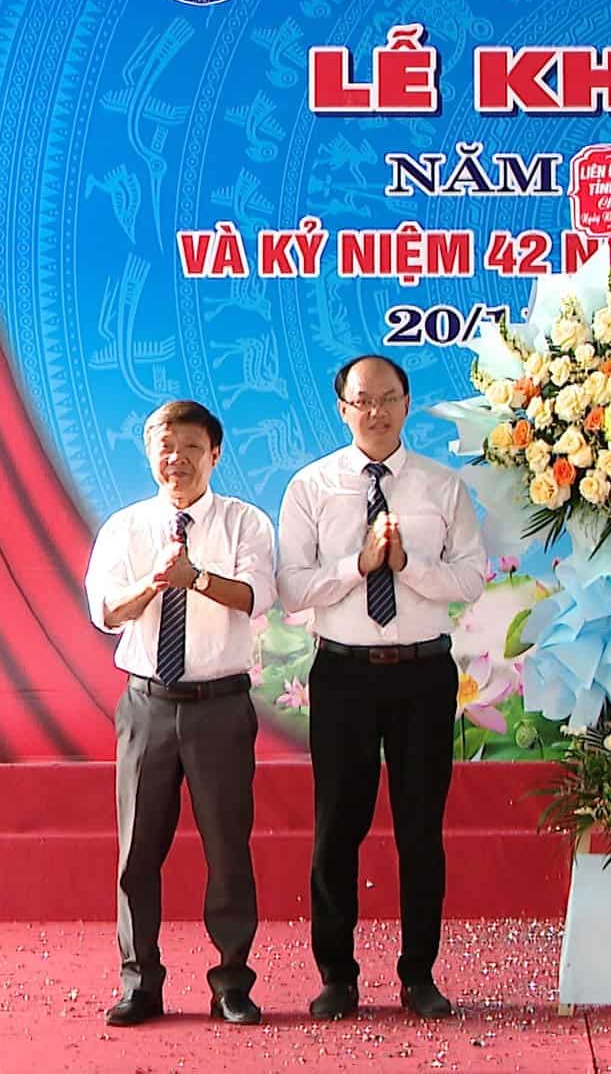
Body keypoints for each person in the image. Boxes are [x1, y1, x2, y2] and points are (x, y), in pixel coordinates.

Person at [278, 355, 487, 1021]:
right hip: (343, 673)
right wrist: (358, 565)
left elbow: (471, 580)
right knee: (336, 828)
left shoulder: (441, 487)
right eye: (361, 400)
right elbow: (291, 588)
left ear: (406, 403)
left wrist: (406, 564)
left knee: (420, 830)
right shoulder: (311, 487)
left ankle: (418, 974)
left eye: (388, 398)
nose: (375, 411)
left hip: (423, 674)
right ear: (341, 409)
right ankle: (336, 976)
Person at [84, 401, 274, 1027]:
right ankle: (140, 984)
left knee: (228, 849)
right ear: (149, 455)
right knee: (137, 851)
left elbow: (254, 596)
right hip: (146, 707)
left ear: (214, 454)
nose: (177, 459)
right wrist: (156, 584)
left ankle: (231, 984)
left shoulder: (244, 522)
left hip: (220, 704)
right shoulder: (124, 527)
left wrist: (195, 577)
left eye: (191, 447)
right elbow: (106, 611)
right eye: (165, 447)